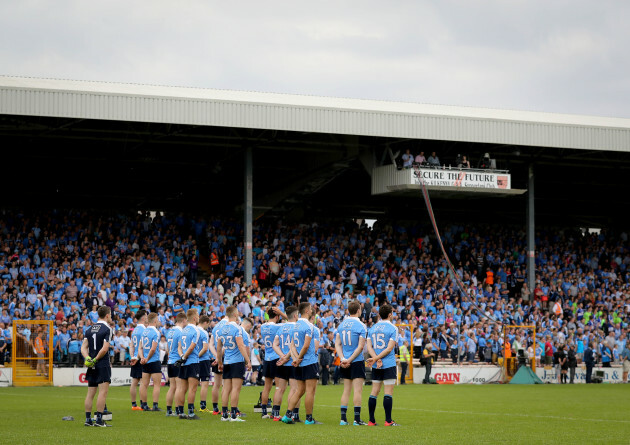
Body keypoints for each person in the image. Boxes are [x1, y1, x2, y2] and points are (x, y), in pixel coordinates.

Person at [282, 302, 322, 425]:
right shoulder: (309, 326)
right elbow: (306, 346)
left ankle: (288, 415)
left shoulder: (295, 326)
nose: (311, 310)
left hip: (299, 363)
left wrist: (295, 358)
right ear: (306, 311)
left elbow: (292, 345)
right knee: (310, 391)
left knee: (300, 390)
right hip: (309, 362)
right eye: (310, 309)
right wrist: (299, 357)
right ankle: (309, 418)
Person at [335, 300, 367, 426]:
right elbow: (360, 347)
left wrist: (343, 358)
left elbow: (337, 344)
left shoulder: (341, 325)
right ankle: (357, 420)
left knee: (346, 390)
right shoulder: (361, 326)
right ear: (358, 311)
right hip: (356, 361)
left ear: (348, 310)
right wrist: (350, 360)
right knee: (358, 391)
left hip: (345, 361)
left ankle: (343, 419)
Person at [366, 304, 400, 426]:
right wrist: (377, 358)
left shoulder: (372, 328)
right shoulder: (393, 328)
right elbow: (389, 348)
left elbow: (369, 346)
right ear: (390, 314)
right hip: (388, 363)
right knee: (388, 392)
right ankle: (388, 421)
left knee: (374, 391)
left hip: (376, 364)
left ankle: (371, 420)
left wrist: (375, 358)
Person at [217, 306, 251, 422]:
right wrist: (248, 360)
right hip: (237, 362)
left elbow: (219, 347)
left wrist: (220, 361)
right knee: (236, 389)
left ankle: (224, 415)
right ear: (235, 315)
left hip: (227, 361)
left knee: (226, 389)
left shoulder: (221, 329)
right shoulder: (238, 328)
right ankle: (234, 415)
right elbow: (241, 346)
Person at [82, 306, 113, 427]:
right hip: (102, 363)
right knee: (103, 392)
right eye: (110, 314)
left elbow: (83, 347)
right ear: (107, 315)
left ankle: (88, 420)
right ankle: (99, 420)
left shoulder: (89, 329)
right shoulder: (107, 329)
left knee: (90, 393)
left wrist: (87, 358)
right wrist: (95, 359)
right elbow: (105, 349)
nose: (110, 316)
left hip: (92, 364)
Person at [273, 306, 299, 422]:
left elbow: (275, 344)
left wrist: (282, 356)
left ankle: (275, 414)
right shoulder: (297, 327)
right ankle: (291, 414)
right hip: (292, 361)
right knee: (294, 389)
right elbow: (295, 346)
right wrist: (287, 357)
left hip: (282, 362)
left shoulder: (282, 327)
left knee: (279, 389)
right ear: (295, 315)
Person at [176, 308, 201, 420]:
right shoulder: (196, 330)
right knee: (192, 388)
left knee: (182, 388)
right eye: (198, 315)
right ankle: (190, 413)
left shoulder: (183, 330)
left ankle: (181, 412)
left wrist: (182, 357)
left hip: (183, 362)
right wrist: (185, 356)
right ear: (195, 318)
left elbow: (179, 347)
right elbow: (192, 346)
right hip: (192, 362)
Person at [260, 307, 283, 419]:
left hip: (267, 358)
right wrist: (281, 313)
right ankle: (275, 412)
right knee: (278, 387)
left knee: (266, 386)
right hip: (276, 357)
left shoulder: (262, 326)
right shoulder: (278, 326)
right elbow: (293, 322)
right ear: (277, 316)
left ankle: (264, 412)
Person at [139, 312, 162, 411]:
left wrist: (142, 358)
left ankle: (144, 405)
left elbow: (140, 347)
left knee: (144, 384)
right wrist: (147, 358)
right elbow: (153, 349)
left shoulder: (144, 331)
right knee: (156, 384)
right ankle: (155, 405)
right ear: (155, 320)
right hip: (153, 360)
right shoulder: (156, 332)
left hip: (145, 360)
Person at [165, 312, 186, 417]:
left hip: (170, 361)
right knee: (179, 387)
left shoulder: (170, 331)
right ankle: (178, 409)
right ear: (184, 320)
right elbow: (180, 347)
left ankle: (169, 410)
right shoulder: (181, 332)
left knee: (172, 387)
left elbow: (168, 349)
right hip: (177, 361)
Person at [209, 314, 229, 415]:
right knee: (225, 385)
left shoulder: (216, 327)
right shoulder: (228, 326)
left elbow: (211, 344)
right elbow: (225, 344)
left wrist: (216, 356)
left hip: (217, 356)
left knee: (216, 384)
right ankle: (225, 409)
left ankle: (215, 409)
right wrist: (220, 356)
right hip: (226, 357)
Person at [129, 310, 147, 411]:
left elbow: (131, 345)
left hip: (135, 358)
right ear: (143, 318)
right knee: (143, 383)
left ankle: (134, 405)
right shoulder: (144, 330)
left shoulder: (134, 330)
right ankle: (143, 404)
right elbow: (143, 346)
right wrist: (138, 357)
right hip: (141, 358)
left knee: (134, 382)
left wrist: (133, 357)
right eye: (146, 316)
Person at [196, 315, 212, 413]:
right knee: (204, 384)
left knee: (192, 384)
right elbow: (205, 348)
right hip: (203, 360)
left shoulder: (193, 330)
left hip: (193, 361)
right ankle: (203, 406)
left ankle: (190, 406)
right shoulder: (203, 332)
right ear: (205, 322)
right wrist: (197, 356)